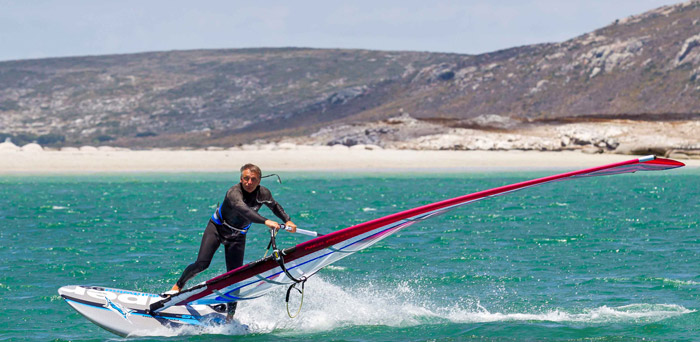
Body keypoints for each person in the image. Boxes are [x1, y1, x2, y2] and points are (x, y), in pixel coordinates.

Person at [168, 163, 297, 322]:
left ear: (259, 181)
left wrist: (287, 220)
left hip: (238, 236)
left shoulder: (263, 193)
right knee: (202, 264)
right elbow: (244, 210)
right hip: (217, 229)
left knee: (235, 277)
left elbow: (275, 206)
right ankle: (178, 286)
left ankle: (230, 316)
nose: (249, 182)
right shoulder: (233, 193)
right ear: (241, 178)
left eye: (253, 180)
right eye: (246, 178)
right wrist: (265, 221)